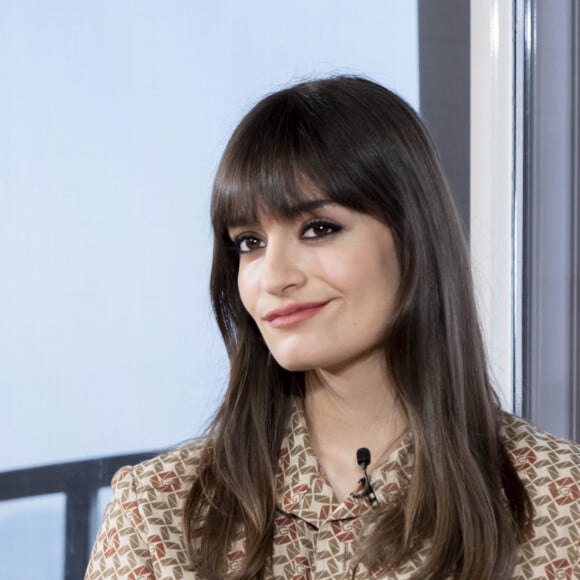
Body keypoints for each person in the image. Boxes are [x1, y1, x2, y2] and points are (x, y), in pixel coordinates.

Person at [85, 76, 579, 580]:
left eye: (319, 229)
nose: (273, 277)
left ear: (414, 237)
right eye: (249, 242)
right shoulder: (158, 514)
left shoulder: (561, 500)